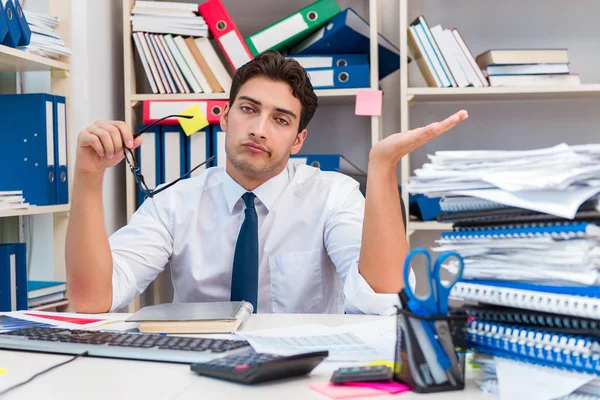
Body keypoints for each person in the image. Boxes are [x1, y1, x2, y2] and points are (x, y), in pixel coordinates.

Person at [65, 50, 468, 315]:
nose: (259, 129)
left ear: (298, 140)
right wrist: (88, 176)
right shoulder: (174, 202)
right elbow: (92, 300)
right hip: (193, 373)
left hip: (303, 377)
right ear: (224, 117)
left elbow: (384, 296)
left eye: (280, 119)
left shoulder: (332, 195)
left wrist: (381, 169)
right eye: (248, 109)